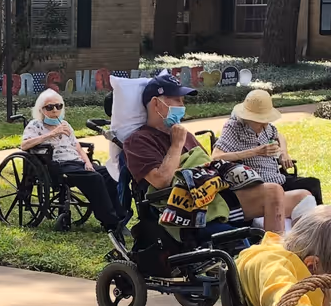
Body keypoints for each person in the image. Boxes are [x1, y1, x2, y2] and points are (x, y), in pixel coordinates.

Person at [120, 73, 290, 234]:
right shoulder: (138, 141)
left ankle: (274, 254)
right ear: (156, 104)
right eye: (177, 100)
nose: (182, 106)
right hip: (186, 207)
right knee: (274, 194)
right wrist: (176, 145)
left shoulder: (184, 135)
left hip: (215, 195)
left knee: (279, 192)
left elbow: (210, 167)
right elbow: (161, 181)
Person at [18, 89, 125, 234]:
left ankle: (120, 218)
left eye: (58, 106)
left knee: (110, 174)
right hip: (57, 164)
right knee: (95, 179)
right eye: (49, 107)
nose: (55, 110)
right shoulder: (35, 125)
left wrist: (87, 162)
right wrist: (52, 134)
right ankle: (110, 222)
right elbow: (24, 145)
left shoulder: (65, 124)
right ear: (41, 110)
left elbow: (78, 147)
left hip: (77, 162)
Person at [216, 89, 316, 203]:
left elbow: (279, 135)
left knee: (312, 184)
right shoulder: (233, 127)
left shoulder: (265, 126)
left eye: (266, 119)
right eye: (260, 120)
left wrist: (284, 153)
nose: (264, 124)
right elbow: (216, 157)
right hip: (259, 184)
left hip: (277, 177)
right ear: (248, 117)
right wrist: (255, 152)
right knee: (311, 187)